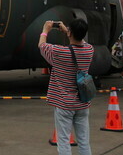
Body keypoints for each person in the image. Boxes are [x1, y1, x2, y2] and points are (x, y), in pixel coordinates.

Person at [39, 19, 94, 155]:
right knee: (84, 141)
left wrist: (45, 30)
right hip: (83, 103)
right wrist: (67, 31)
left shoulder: (59, 52)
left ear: (70, 33)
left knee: (63, 141)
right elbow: (82, 43)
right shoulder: (89, 50)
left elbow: (41, 46)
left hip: (64, 104)